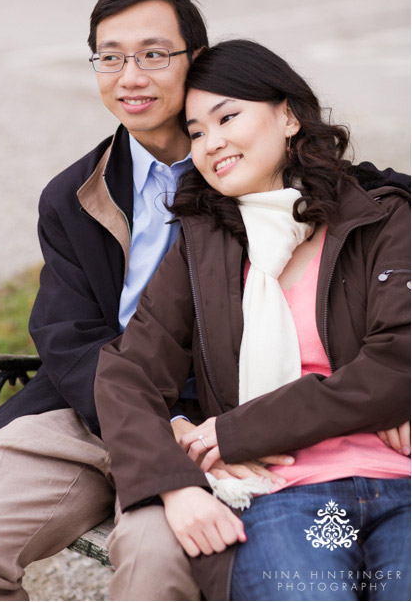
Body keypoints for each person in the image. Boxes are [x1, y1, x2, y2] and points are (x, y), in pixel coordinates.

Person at [0, 0, 409, 601]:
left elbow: (367, 222)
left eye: (153, 54)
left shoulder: (256, 198)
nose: (130, 76)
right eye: (110, 57)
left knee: (160, 561)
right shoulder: (78, 195)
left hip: (231, 417)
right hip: (103, 410)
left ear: (198, 61)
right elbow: (71, 340)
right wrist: (172, 432)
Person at [95, 39, 410, 601]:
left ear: (288, 115)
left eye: (228, 117)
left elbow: (396, 364)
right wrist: (175, 484)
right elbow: (127, 376)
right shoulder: (201, 245)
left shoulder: (381, 218)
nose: (212, 143)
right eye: (195, 131)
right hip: (281, 493)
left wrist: (239, 431)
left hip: (401, 481)